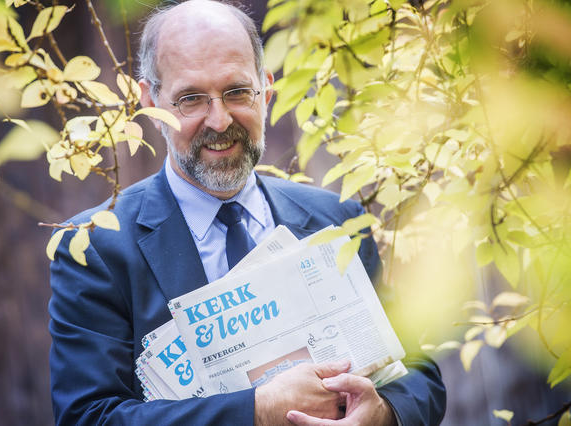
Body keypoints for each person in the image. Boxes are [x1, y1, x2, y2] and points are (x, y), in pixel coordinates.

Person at [48, 1, 447, 424]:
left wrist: (382, 413)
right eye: (191, 98)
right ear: (151, 103)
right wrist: (258, 410)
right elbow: (88, 417)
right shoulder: (94, 246)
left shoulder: (336, 221)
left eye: (237, 92)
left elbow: (420, 375)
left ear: (266, 91)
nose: (219, 121)